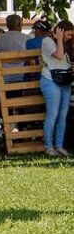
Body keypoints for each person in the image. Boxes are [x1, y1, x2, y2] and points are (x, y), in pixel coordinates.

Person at [40, 20, 73, 157]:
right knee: (52, 115)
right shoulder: (47, 41)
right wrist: (59, 38)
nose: (69, 37)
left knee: (62, 116)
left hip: (64, 81)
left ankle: (59, 146)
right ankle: (48, 147)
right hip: (50, 81)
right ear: (59, 31)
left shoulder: (66, 44)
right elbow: (59, 55)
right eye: (68, 34)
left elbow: (64, 60)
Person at [0, 13, 29, 85]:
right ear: (19, 24)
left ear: (7, 25)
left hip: (4, 77)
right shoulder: (26, 38)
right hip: (22, 77)